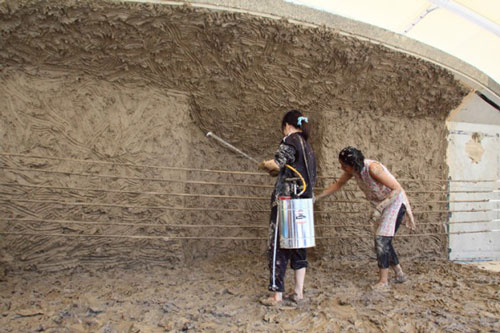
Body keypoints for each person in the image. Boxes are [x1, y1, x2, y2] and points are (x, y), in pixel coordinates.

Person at [316, 146, 416, 289]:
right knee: (384, 239)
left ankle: (383, 281)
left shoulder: (373, 168)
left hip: (394, 202)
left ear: (352, 165)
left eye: (343, 165)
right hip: (381, 204)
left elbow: (397, 189)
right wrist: (317, 198)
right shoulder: (354, 171)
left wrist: (380, 208)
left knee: (382, 239)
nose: (341, 167)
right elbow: (338, 184)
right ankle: (399, 274)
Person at [258, 110, 317, 306]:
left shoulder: (290, 140)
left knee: (278, 245)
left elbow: (278, 162)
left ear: (287, 126)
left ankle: (277, 295)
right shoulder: (308, 147)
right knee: (300, 245)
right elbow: (292, 169)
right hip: (304, 202)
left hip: (286, 201)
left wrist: (267, 164)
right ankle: (298, 293)